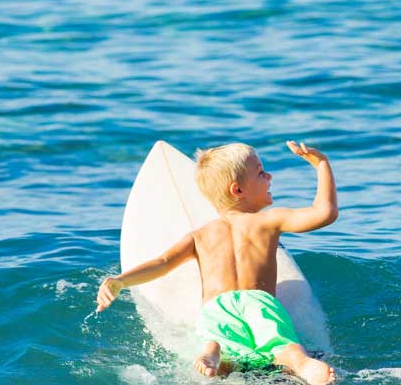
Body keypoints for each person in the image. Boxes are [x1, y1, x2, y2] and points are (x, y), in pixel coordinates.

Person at [94, 141, 337, 384]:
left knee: (222, 349)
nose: (269, 176)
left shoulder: (200, 236)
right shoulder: (268, 221)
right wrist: (322, 165)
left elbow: (162, 262)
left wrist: (121, 280)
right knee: (287, 351)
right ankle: (303, 364)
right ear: (237, 190)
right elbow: (325, 213)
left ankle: (213, 353)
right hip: (261, 304)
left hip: (217, 309)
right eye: (261, 172)